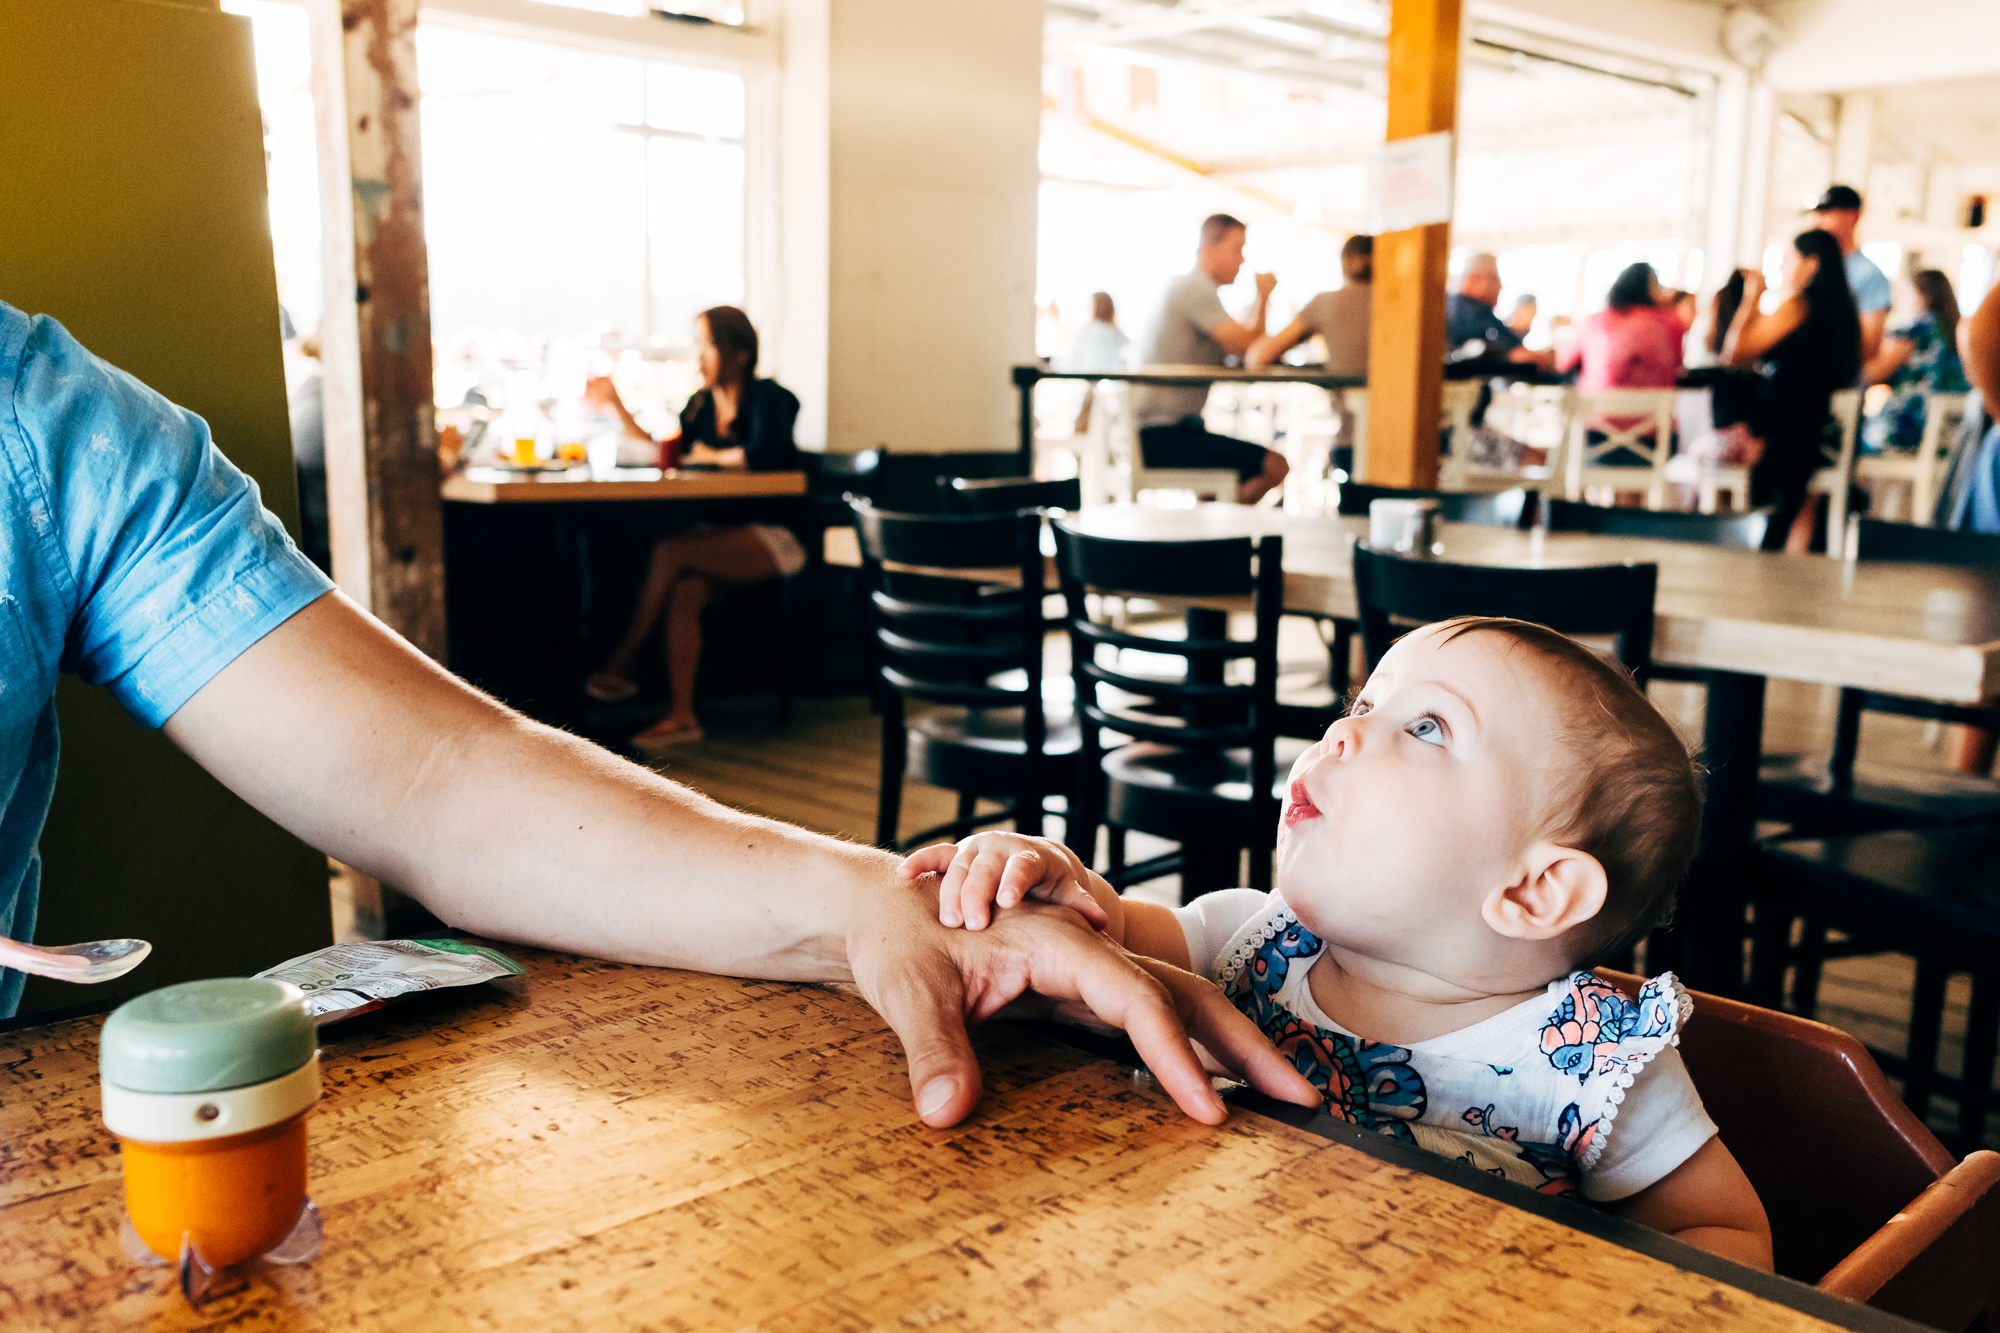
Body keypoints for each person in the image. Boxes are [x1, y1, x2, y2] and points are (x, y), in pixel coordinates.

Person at [0, 298, 1325, 1133]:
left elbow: (442, 782)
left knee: (672, 569)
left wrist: (877, 900)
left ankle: (652, 687)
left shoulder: (55, 432)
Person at [906, 616, 1773, 1269]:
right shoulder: (1243, 939)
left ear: (1533, 889)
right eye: (1364, 703)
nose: (1342, 731)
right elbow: (1103, 935)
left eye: (1425, 726)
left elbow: (1726, 1235)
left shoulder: (1598, 1064)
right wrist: (1048, 875)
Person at [581, 307, 806, 752]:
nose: (697, 356)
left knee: (671, 551)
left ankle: (623, 662)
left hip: (777, 537)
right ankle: (683, 716)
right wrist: (617, 404)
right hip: (720, 539)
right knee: (685, 588)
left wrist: (709, 455)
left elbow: (762, 456)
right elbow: (667, 455)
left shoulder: (772, 398)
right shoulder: (700, 404)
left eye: (706, 344)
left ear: (738, 352)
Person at [1133, 214, 1290, 504]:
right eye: (1237, 249)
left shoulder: (1191, 290)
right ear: (1209, 247)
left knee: (1217, 487)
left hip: (1166, 431)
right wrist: (1264, 296)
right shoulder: (1194, 288)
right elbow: (1251, 347)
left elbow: (1247, 351)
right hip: (1164, 436)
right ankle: (1214, 539)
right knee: (1276, 466)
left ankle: (1208, 536)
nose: (1242, 261)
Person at [1722, 230, 1863, 551]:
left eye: (1788, 258)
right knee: (1791, 503)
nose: (1783, 267)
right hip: (1819, 431)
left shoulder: (1799, 306)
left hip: (1787, 432)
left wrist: (1751, 297)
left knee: (1768, 512)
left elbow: (1736, 351)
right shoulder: (1843, 309)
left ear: (1811, 264)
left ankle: (1761, 558)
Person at [1862, 269, 1968, 453]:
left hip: (1911, 431)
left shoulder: (1912, 332)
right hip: (1955, 437)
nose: (1899, 301)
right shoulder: (1960, 333)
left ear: (1923, 296)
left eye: (1906, 294)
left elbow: (1873, 375)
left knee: (1854, 437)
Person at [1245, 233, 1373, 378]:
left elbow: (1258, 356)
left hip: (1349, 398)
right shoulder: (1396, 305)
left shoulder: (1327, 302)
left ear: (1344, 265)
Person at [1559, 263, 1685, 393]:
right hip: (1655, 411)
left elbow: (1565, 364)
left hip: (1599, 409)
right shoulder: (1671, 323)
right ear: (1653, 291)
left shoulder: (1595, 322)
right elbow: (1678, 365)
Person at [1811, 185, 1892, 365]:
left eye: (1827, 213)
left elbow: (1869, 346)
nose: (1816, 222)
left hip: (1839, 380)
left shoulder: (1869, 274)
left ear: (1852, 216)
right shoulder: (1810, 268)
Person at [1445, 254, 1555, 370]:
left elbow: (1512, 345)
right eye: (1495, 279)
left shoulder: (1483, 312)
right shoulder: (1466, 309)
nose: (1500, 286)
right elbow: (1514, 354)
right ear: (1474, 279)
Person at [1058, 292, 1129, 373]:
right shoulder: (1118, 334)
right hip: (1112, 380)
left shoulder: (1086, 332)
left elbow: (1074, 360)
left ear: (1096, 307)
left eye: (1090, 304)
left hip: (1089, 378)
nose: (1087, 307)